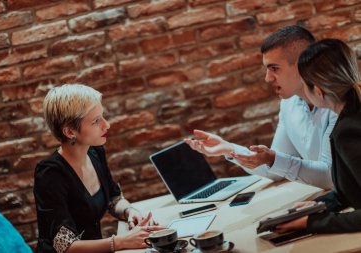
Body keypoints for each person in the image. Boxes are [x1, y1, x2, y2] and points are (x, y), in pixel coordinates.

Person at [185, 25, 337, 189]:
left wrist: (273, 159)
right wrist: (229, 149)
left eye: (274, 68)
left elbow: (332, 177)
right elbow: (275, 170)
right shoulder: (288, 104)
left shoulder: (337, 103)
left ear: (304, 64)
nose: (267, 78)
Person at [34, 84, 162, 253]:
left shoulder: (95, 152)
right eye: (96, 121)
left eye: (102, 116)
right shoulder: (50, 174)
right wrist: (120, 242)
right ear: (70, 131)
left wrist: (129, 211)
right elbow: (65, 245)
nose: (106, 125)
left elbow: (113, 198)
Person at [275, 38, 361, 234]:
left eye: (305, 85)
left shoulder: (348, 131)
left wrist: (311, 223)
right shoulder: (350, 118)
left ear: (319, 91)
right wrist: (320, 205)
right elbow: (354, 188)